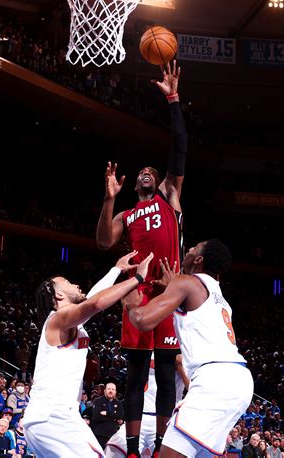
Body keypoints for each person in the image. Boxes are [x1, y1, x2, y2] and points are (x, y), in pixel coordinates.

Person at [96, 60, 187, 458]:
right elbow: (102, 242)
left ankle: (160, 449)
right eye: (144, 172)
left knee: (166, 376)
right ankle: (133, 450)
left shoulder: (170, 196)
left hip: (168, 292)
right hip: (137, 294)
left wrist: (173, 100)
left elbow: (179, 148)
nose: (149, 172)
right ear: (135, 183)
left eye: (154, 170)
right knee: (135, 377)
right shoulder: (126, 213)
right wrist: (109, 197)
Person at [123, 238, 254, 457]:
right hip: (238, 380)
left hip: (215, 381)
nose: (188, 249)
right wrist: (173, 290)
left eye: (194, 248)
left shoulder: (187, 283)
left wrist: (130, 303)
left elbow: (143, 320)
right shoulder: (216, 294)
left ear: (199, 259)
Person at [23, 251, 153, 457]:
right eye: (66, 282)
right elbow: (95, 303)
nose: (75, 284)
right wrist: (138, 279)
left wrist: (116, 270)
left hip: (48, 419)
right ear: (58, 295)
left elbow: (93, 298)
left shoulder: (68, 322)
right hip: (54, 416)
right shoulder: (58, 318)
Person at [91, 382, 124, 449]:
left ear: (115, 392)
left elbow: (120, 415)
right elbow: (97, 416)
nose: (110, 391)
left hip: (113, 436)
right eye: (109, 389)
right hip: (100, 434)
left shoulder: (118, 403)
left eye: (113, 389)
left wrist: (107, 413)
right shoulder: (98, 401)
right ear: (105, 391)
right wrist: (114, 418)